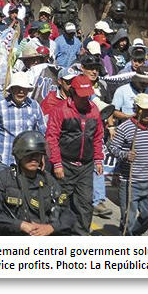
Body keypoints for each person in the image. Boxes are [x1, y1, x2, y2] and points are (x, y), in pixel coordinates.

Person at [0, 130, 75, 236]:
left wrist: (51, 228)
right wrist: (20, 225)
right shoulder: (3, 180)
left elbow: (68, 214)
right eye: (29, 155)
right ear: (19, 155)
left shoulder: (48, 181)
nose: (34, 159)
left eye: (37, 155)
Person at [45, 75, 104, 235]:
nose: (86, 99)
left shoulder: (94, 110)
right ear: (73, 93)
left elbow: (98, 136)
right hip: (64, 164)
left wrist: (98, 158)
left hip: (86, 165)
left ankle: (81, 237)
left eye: (88, 96)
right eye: (82, 96)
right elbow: (52, 137)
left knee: (85, 204)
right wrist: (56, 163)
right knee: (60, 201)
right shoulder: (60, 110)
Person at [109, 94, 148, 235]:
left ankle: (131, 234)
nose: (147, 113)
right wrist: (126, 155)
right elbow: (112, 147)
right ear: (137, 109)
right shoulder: (125, 128)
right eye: (144, 110)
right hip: (129, 182)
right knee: (128, 219)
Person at [0, 72, 46, 177]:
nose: (21, 91)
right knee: (2, 192)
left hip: (27, 161)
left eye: (24, 88)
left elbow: (42, 133)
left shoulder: (34, 106)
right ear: (11, 90)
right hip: (4, 160)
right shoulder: (0, 106)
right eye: (17, 88)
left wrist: (41, 155)